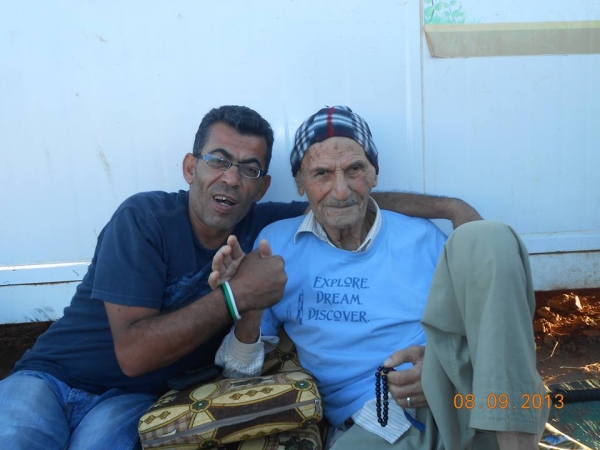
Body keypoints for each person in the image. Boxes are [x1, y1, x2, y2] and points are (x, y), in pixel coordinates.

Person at [0, 105, 481, 450]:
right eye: (218, 160)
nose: (231, 178)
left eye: (249, 169)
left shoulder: (267, 228)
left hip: (131, 399)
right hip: (52, 376)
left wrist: (449, 207)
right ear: (190, 167)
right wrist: (236, 297)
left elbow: (346, 196)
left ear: (264, 186)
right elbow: (133, 354)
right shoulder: (144, 219)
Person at [213, 106, 548, 450]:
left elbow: (495, 334)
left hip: (467, 399)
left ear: (374, 173)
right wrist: (247, 302)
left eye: (355, 169)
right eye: (322, 174)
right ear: (300, 183)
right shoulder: (276, 245)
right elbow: (239, 374)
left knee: (489, 236)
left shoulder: (421, 237)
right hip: (377, 421)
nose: (340, 191)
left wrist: (439, 372)